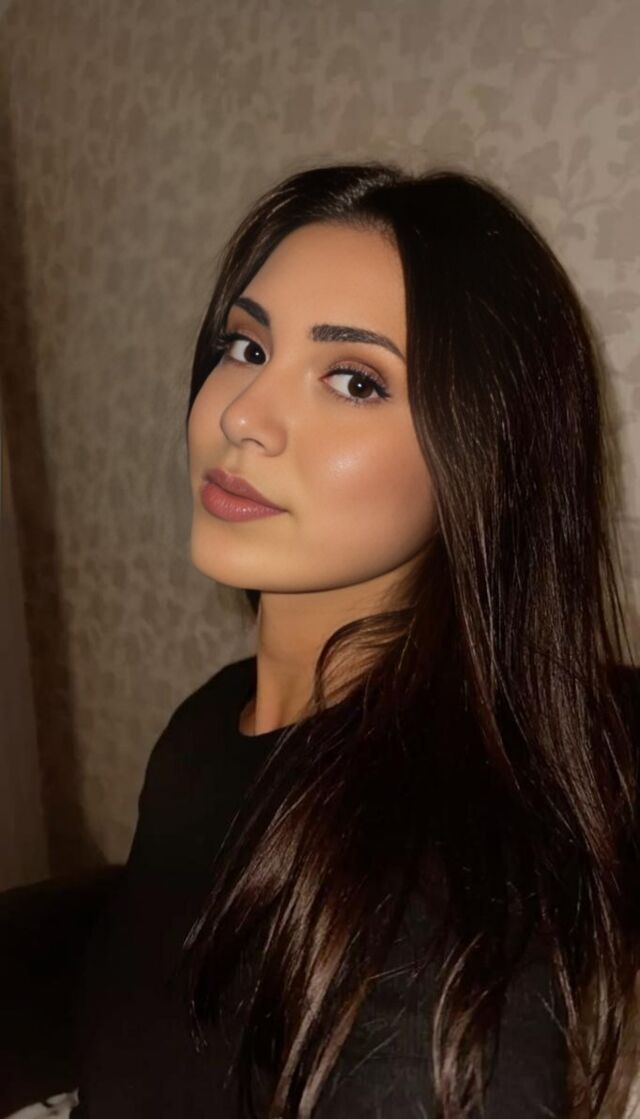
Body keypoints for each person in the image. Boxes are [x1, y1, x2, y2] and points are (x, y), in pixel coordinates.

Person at [57, 161, 640, 1119]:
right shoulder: (207, 724)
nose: (241, 416)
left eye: (353, 380)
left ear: (481, 457)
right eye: (246, 347)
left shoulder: (448, 892)